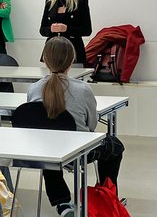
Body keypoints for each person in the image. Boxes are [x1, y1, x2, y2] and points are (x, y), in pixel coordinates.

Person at [27, 37, 124, 217]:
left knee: (48, 144)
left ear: (45, 60)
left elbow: (35, 126)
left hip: (47, 152)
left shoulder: (33, 89)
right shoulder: (82, 89)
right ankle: (106, 195)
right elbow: (92, 124)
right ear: (72, 60)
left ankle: (62, 202)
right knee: (115, 147)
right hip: (81, 151)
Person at [39, 0, 92, 66]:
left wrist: (67, 29)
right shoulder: (49, 3)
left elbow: (87, 30)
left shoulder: (81, 3)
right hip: (52, 51)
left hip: (73, 51)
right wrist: (51, 29)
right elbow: (42, 30)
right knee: (52, 80)